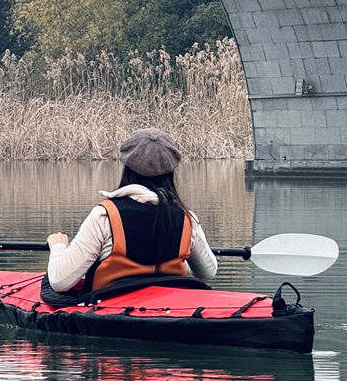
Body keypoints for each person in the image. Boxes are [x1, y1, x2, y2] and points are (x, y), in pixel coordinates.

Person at [43, 128, 217, 305]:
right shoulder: (187, 218)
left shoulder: (104, 216)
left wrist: (58, 247)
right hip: (171, 310)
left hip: (111, 312)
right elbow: (207, 272)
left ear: (127, 167)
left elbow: (59, 282)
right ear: (171, 170)